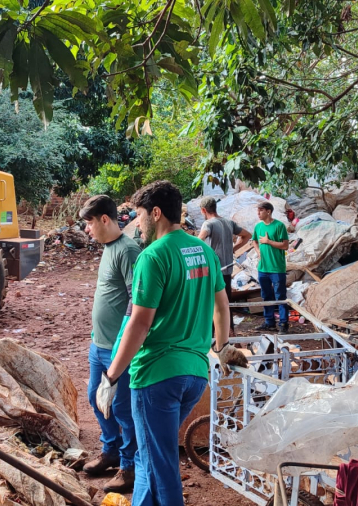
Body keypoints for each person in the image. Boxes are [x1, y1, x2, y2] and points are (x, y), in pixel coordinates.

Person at [96, 181, 247, 506]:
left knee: (160, 465)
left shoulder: (153, 256)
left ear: (156, 212)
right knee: (149, 455)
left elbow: (139, 323)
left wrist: (111, 377)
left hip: (157, 377)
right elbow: (222, 306)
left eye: (139, 216)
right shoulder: (203, 250)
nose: (137, 225)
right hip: (194, 375)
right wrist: (220, 348)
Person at [79, 195, 141, 493]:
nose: (87, 229)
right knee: (95, 398)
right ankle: (111, 450)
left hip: (118, 349)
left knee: (122, 409)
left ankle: (128, 467)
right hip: (98, 345)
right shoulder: (108, 248)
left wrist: (122, 342)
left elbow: (137, 300)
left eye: (89, 222)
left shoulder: (128, 250)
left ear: (105, 219)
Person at [197, 196, 251, 331]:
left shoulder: (208, 224)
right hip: (227, 270)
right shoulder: (229, 223)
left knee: (210, 304)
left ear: (204, 210)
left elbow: (198, 241)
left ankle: (211, 337)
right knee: (226, 304)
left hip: (214, 272)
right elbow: (247, 235)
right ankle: (228, 334)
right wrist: (233, 249)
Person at [251, 201, 290, 333]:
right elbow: (254, 240)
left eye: (260, 210)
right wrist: (257, 251)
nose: (258, 213)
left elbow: (285, 245)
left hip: (277, 268)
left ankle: (284, 324)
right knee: (266, 296)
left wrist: (268, 242)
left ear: (268, 211)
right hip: (263, 268)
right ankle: (269, 322)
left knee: (280, 297)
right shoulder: (258, 226)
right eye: (257, 211)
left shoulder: (279, 226)